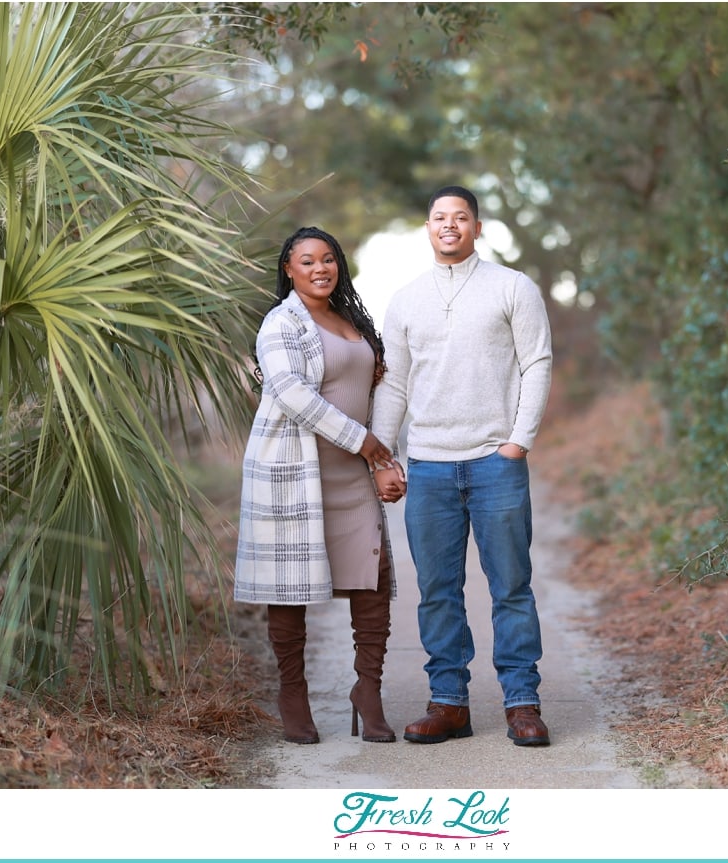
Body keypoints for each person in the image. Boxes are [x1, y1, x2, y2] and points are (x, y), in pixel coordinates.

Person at [371, 185, 554, 747]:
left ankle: (522, 704)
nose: (449, 225)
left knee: (511, 588)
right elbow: (395, 383)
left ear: (477, 226)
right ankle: (448, 703)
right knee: (438, 592)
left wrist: (519, 441)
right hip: (428, 466)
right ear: (427, 227)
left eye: (460, 217)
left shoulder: (512, 288)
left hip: (495, 463)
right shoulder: (404, 300)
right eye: (438, 217)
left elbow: (537, 362)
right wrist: (383, 454)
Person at [234, 226, 406, 745]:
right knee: (289, 591)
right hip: (294, 471)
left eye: (328, 259)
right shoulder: (280, 324)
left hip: (352, 472)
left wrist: (379, 457)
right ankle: (293, 692)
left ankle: (368, 691)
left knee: (371, 581)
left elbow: (376, 390)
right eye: (306, 261)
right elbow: (292, 395)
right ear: (288, 269)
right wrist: (370, 446)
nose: (319, 268)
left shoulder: (353, 320)